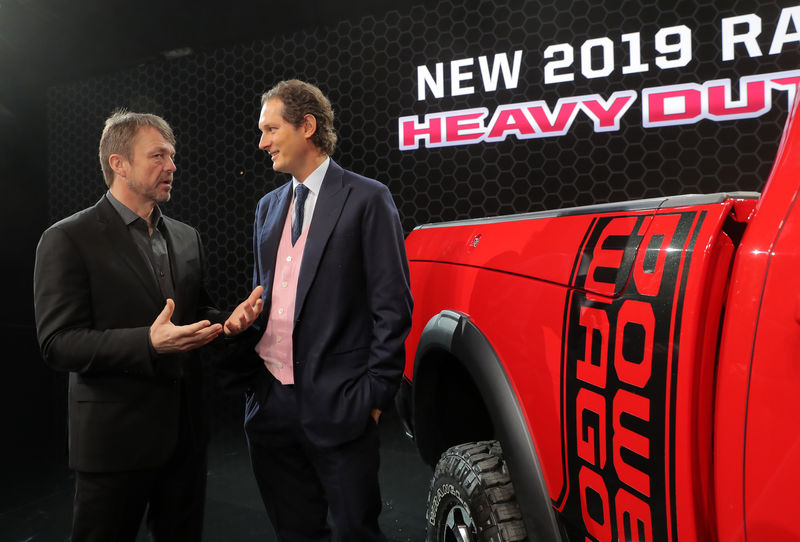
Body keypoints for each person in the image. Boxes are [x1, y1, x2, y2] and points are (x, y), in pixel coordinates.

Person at [32, 110, 263, 542]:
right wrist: (147, 343)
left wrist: (227, 325)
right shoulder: (67, 239)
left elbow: (198, 312)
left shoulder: (186, 236)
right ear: (118, 164)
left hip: (185, 439)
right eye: (158, 155)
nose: (172, 166)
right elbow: (58, 343)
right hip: (113, 443)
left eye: (172, 156)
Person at [242, 79, 413, 541]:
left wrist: (374, 398)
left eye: (271, 129)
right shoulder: (266, 208)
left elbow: (392, 306)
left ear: (307, 126)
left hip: (342, 405)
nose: (262, 142)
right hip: (271, 408)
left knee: (356, 532)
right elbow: (264, 296)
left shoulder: (367, 198)